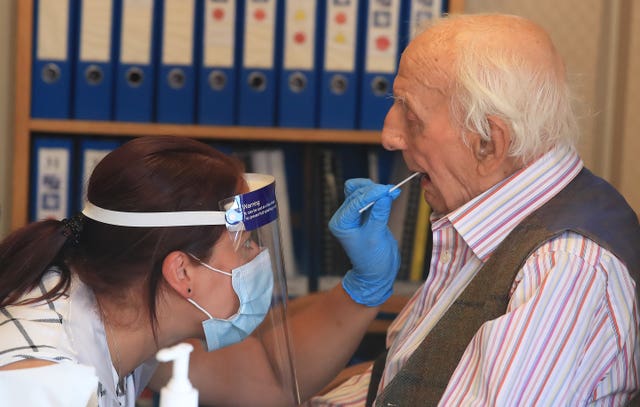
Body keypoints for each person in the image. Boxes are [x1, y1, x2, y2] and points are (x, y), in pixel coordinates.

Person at [311, 13, 640, 406]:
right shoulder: (497, 220)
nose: (389, 136)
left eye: (410, 116)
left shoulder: (563, 267)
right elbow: (404, 376)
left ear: (488, 141)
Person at [0, 135, 404, 406]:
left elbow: (268, 378)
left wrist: (362, 288)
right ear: (182, 273)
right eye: (245, 244)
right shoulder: (42, 383)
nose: (255, 259)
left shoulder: (119, 309)